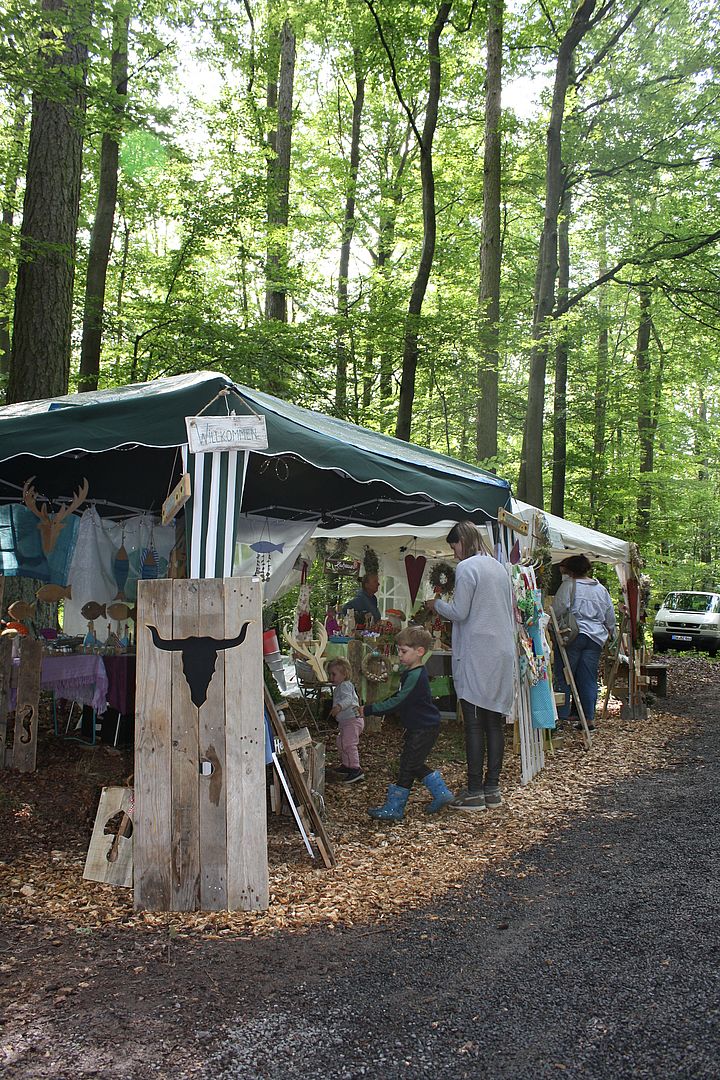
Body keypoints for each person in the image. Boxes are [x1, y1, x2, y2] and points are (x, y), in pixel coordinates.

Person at [426, 521, 515, 812]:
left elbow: (460, 612)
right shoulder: (499, 567)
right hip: (501, 650)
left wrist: (435, 605)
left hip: (479, 652)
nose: (454, 554)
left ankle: (475, 790)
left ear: (463, 541)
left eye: (454, 546)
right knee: (494, 723)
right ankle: (492, 788)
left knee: (475, 723)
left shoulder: (468, 568)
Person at [362, 626, 454, 820]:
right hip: (421, 726)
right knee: (414, 762)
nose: (400, 655)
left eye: (404, 651)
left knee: (407, 765)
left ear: (419, 651)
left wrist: (371, 709)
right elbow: (400, 696)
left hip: (424, 728)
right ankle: (442, 793)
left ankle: (395, 808)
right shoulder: (411, 673)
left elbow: (399, 701)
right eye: (399, 651)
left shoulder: (416, 675)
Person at [552, 555, 616, 731]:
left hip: (573, 636)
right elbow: (610, 615)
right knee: (588, 678)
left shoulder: (568, 586)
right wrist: (612, 634)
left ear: (570, 570)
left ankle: (562, 718)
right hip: (595, 638)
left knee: (564, 675)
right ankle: (588, 719)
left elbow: (557, 609)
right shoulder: (600, 589)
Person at [327, 657, 364, 783]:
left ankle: (355, 769)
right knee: (341, 742)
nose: (331, 677)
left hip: (352, 720)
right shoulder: (340, 687)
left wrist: (338, 707)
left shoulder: (345, 685)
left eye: (334, 674)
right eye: (330, 674)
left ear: (344, 674)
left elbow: (348, 700)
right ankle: (346, 765)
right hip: (345, 721)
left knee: (349, 743)